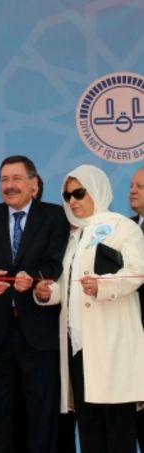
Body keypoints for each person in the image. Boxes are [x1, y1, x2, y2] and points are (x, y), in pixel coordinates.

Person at [33, 164, 144, 452]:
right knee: (90, 431)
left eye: (79, 193)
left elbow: (137, 271)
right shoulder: (74, 236)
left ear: (96, 190)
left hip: (112, 346)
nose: (72, 201)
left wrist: (104, 285)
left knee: (118, 432)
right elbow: (70, 285)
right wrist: (48, 292)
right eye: (67, 195)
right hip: (79, 349)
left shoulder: (123, 227)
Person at [0, 155, 70, 452]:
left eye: (16, 179)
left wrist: (37, 277)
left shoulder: (54, 216)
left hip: (39, 334)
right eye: (4, 180)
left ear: (34, 184)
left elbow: (56, 261)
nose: (9, 185)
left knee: (41, 414)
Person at [130, 165, 144, 451]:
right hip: (130, 336)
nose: (132, 190)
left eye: (140, 187)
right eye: (132, 185)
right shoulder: (125, 228)